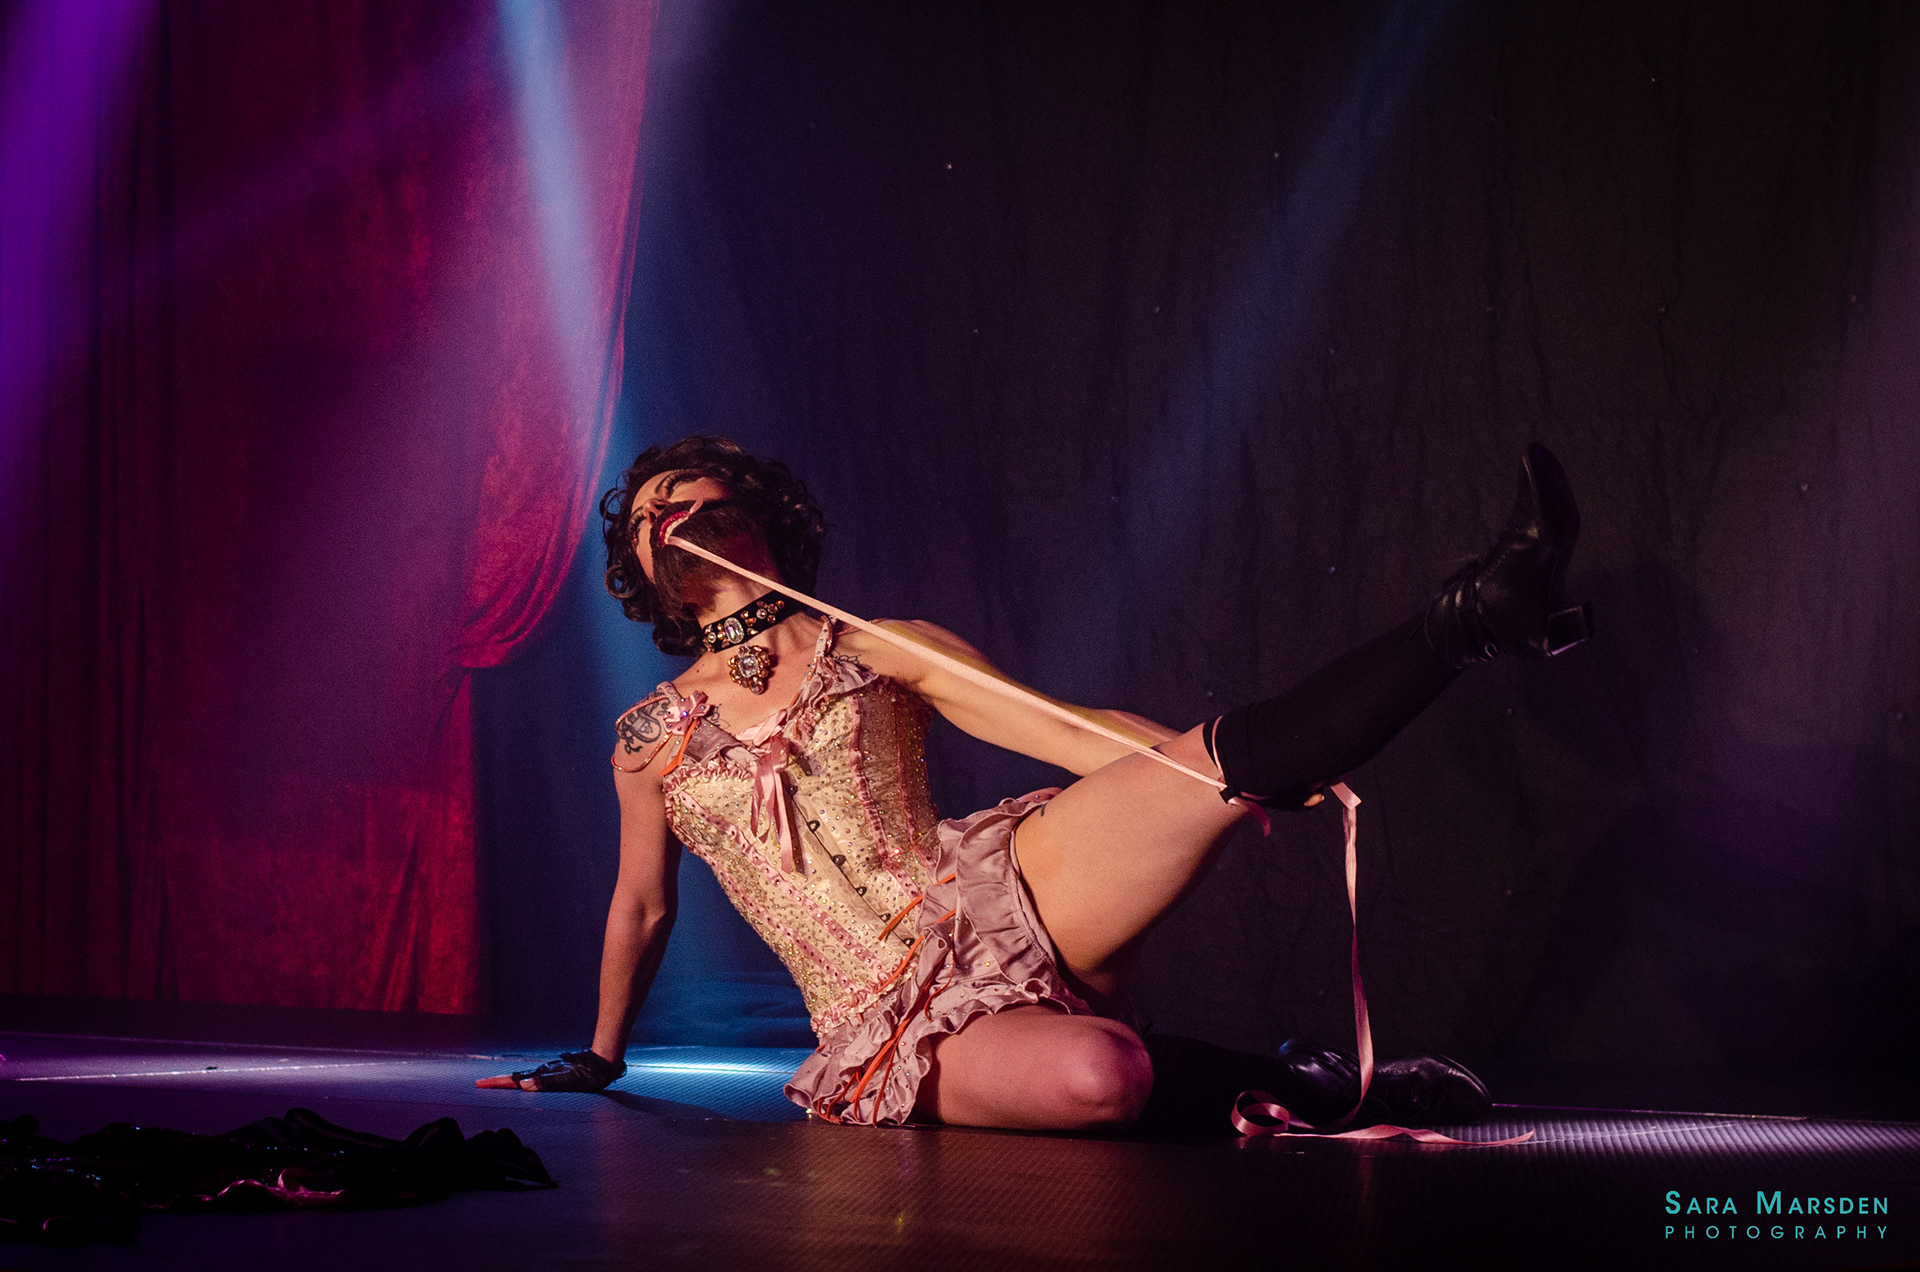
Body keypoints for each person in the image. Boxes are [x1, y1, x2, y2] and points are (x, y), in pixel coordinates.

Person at [479, 437, 1591, 1132]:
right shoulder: (648, 736)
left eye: (698, 499)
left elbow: (1063, 730)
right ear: (645, 571)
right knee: (1104, 1079)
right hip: (884, 1013)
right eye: (651, 513)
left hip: (1008, 888)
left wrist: (1228, 781)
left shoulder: (877, 644)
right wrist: (603, 1053)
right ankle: (1313, 1083)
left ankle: (1479, 614)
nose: (673, 513)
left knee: (1215, 759)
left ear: (759, 522)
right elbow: (641, 903)